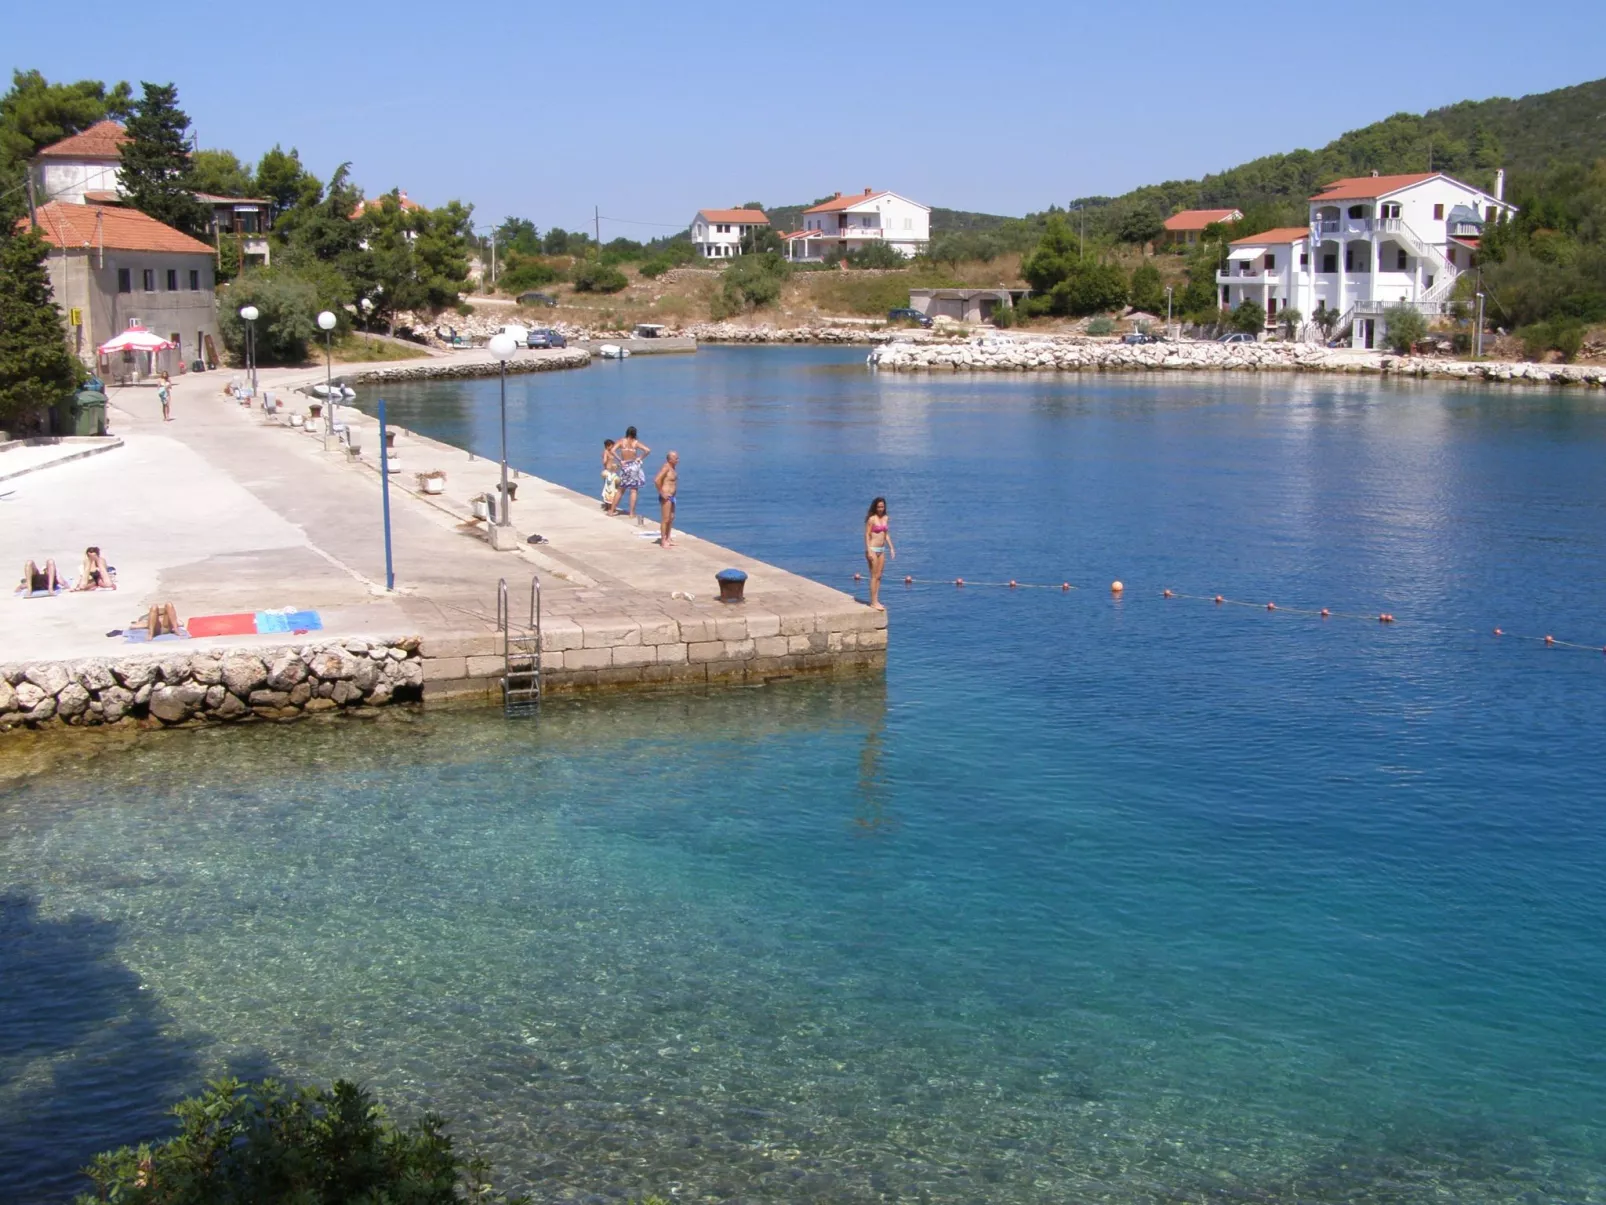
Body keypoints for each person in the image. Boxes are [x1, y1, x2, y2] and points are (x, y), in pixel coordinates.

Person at [864, 497, 895, 610]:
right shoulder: (872, 519)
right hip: (872, 549)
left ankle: (876, 600)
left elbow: (886, 534)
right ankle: (873, 602)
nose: (880, 509)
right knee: (874, 576)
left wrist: (891, 548)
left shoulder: (886, 518)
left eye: (882, 507)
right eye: (878, 507)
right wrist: (869, 550)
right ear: (875, 507)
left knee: (879, 576)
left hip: (881, 550)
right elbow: (867, 535)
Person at [614, 426, 651, 518]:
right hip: (633, 465)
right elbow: (647, 450)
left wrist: (620, 460)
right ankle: (631, 513)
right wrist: (640, 458)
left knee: (621, 489)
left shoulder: (621, 441)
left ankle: (611, 510)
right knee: (633, 490)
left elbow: (612, 450)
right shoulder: (635, 443)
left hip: (625, 465)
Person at [654, 451, 679, 548]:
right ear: (670, 459)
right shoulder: (666, 467)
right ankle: (663, 540)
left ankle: (668, 538)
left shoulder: (673, 468)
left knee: (671, 517)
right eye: (676, 458)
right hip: (666, 496)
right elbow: (657, 480)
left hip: (672, 497)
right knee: (665, 518)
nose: (678, 460)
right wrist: (661, 492)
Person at [600, 438, 622, 513]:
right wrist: (607, 462)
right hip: (608, 472)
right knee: (610, 489)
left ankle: (609, 505)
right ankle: (609, 507)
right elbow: (604, 461)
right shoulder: (606, 452)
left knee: (611, 489)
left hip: (612, 472)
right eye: (612, 446)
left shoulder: (611, 452)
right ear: (607, 446)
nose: (613, 448)